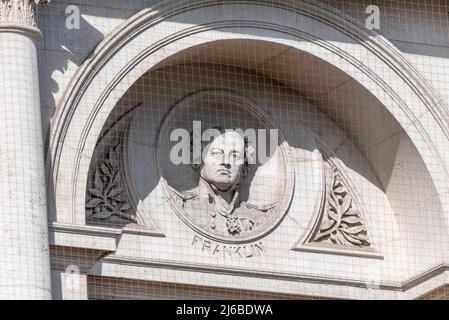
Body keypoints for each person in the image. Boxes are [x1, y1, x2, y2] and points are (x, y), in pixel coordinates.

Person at [171, 129, 276, 237]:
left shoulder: (257, 217)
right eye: (216, 153)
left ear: (243, 166)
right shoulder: (184, 205)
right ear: (198, 158)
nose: (226, 162)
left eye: (235, 156)